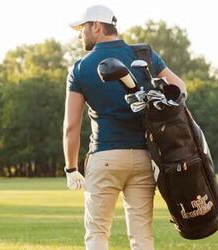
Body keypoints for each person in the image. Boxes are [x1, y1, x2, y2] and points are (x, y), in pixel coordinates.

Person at [62, 5, 187, 250]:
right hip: (143, 157)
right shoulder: (145, 56)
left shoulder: (80, 68)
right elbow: (180, 89)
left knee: (97, 233)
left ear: (96, 26)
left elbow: (71, 125)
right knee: (142, 236)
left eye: (82, 28)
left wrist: (71, 168)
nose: (80, 35)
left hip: (104, 157)